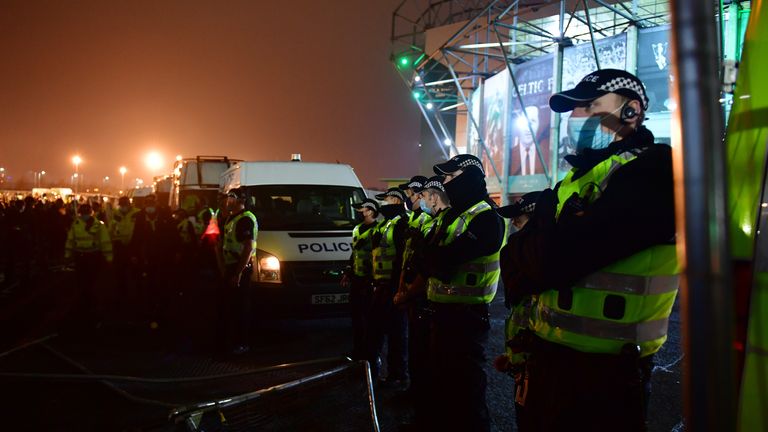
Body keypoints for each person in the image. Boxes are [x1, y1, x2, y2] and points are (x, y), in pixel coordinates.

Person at [503, 68, 678, 431]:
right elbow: (517, 257)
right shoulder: (576, 178)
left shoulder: (654, 169)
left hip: (606, 375)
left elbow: (551, 261)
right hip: (550, 358)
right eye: (575, 110)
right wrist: (544, 238)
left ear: (631, 111)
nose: (577, 117)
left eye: (590, 105)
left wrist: (541, 234)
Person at [422, 154, 504, 431]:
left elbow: (442, 262)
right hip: (442, 311)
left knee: (467, 387)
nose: (445, 184)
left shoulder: (486, 217)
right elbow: (427, 259)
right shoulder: (454, 215)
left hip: (467, 316)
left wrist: (432, 258)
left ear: (468, 178)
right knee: (443, 382)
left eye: (449, 177)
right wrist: (432, 258)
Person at [393, 175, 450, 430]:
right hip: (417, 295)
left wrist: (407, 292)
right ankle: (417, 398)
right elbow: (410, 260)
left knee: (427, 357)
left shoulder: (434, 222)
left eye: (420, 195)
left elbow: (427, 266)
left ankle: (425, 408)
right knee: (418, 353)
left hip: (429, 298)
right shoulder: (421, 221)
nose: (415, 199)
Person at [492, 191, 540, 431]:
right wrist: (512, 357)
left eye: (518, 219)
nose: (513, 225)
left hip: (539, 364)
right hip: (523, 361)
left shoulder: (539, 262)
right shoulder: (523, 258)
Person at [367, 187, 408, 385]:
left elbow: (402, 259)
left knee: (396, 332)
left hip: (392, 286)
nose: (384, 204)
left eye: (388, 200)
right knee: (378, 330)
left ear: (397, 201)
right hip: (381, 285)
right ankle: (375, 370)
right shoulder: (388, 223)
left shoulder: (402, 223)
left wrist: (397, 286)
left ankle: (397, 374)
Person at [216, 188, 258, 354]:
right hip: (231, 267)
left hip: (239, 269)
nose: (228, 200)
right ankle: (231, 341)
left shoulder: (245, 219)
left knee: (240, 308)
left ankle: (242, 344)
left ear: (241, 200)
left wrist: (238, 273)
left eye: (231, 197)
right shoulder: (231, 218)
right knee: (230, 306)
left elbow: (248, 248)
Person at [342, 198, 380, 361]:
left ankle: (368, 354)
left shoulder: (378, 230)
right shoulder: (357, 228)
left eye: (361, 210)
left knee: (368, 319)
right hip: (357, 279)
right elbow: (355, 253)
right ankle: (358, 351)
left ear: (370, 211)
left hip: (369, 280)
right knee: (356, 317)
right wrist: (348, 271)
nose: (358, 213)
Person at [64, 203, 113, 327]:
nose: (84, 216)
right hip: (80, 257)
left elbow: (105, 241)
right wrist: (67, 255)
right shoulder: (75, 224)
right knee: (81, 282)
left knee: (92, 282)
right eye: (83, 213)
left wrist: (109, 257)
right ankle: (84, 302)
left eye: (86, 213)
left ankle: (91, 304)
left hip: (94, 257)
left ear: (90, 213)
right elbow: (70, 240)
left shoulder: (99, 225)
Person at [510, 106, 548, 176]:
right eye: (524, 122)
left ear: (539, 124)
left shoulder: (548, 155)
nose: (528, 129)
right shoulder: (509, 156)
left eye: (533, 121)